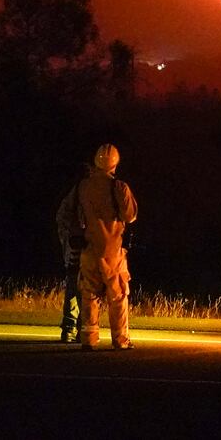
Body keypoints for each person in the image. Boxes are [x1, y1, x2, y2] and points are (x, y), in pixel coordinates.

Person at [76, 143, 138, 350]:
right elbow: (130, 215)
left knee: (89, 295)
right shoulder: (119, 187)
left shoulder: (84, 186)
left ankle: (88, 339)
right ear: (115, 164)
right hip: (112, 251)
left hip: (89, 248)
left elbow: (76, 214)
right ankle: (120, 340)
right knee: (118, 296)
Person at [54, 160, 89, 342]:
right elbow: (63, 217)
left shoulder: (77, 192)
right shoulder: (80, 192)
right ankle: (73, 327)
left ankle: (74, 328)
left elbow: (61, 217)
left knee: (77, 286)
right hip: (80, 245)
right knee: (78, 287)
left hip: (80, 244)